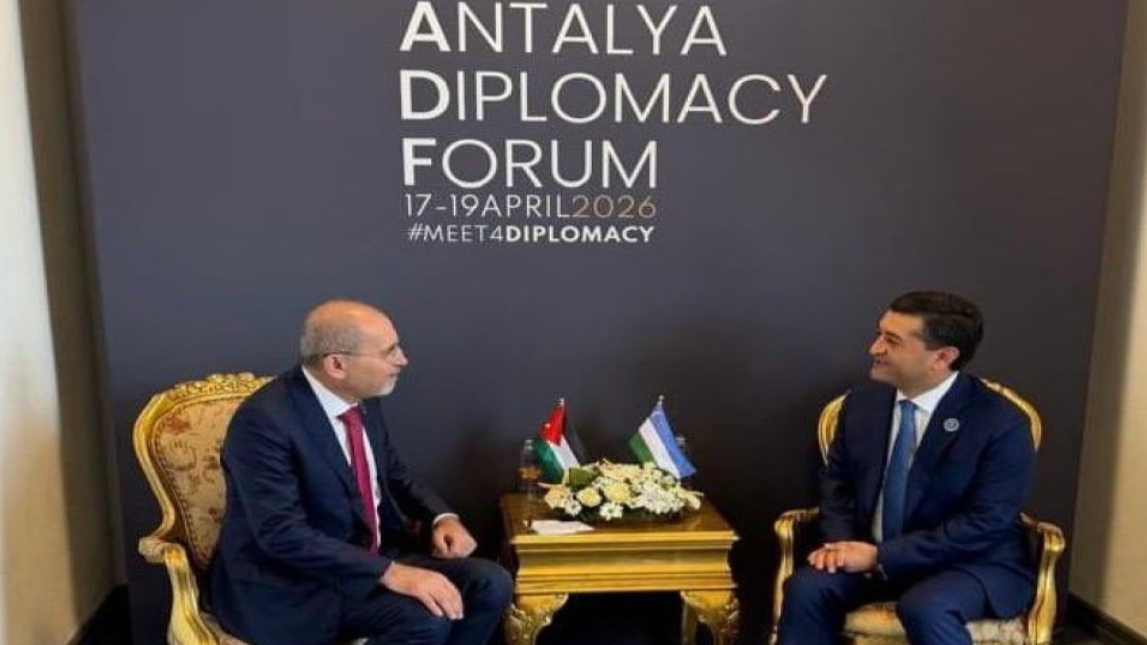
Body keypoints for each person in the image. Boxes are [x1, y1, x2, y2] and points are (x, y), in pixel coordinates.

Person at [208, 300, 512, 645]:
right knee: (425, 620)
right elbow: (282, 533)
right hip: (298, 585)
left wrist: (442, 517)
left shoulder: (361, 396)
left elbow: (394, 472)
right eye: (389, 352)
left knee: (491, 584)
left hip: (371, 559)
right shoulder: (264, 422)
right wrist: (390, 573)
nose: (403, 359)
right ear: (336, 364)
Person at [776, 290, 1036, 645]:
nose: (874, 348)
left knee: (926, 607)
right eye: (879, 334)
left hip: (968, 564)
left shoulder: (999, 423)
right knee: (807, 588)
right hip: (868, 556)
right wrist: (841, 547)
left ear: (942, 357)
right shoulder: (864, 402)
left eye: (892, 341)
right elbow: (836, 486)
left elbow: (985, 522)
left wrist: (882, 557)